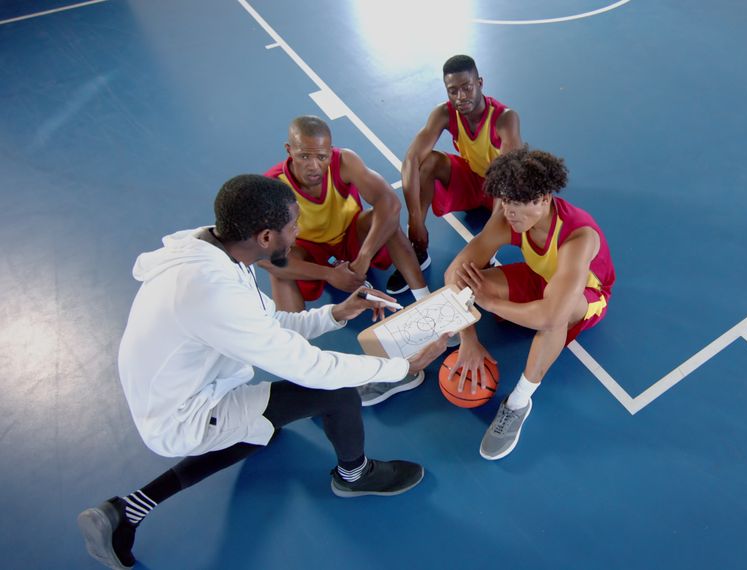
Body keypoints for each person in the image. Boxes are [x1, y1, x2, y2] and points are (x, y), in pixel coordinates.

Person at [77, 175, 450, 570]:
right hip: (184, 412)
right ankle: (354, 476)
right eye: (293, 225)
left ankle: (126, 512)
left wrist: (336, 313)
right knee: (336, 394)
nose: (299, 231)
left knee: (264, 428)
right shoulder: (211, 292)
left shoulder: (214, 249)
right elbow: (310, 368)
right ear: (267, 237)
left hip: (171, 387)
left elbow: (267, 323)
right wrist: (401, 366)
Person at [444, 148, 615, 460]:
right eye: (506, 201)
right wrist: (468, 339)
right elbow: (453, 273)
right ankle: (455, 332)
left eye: (520, 202)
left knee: (557, 316)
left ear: (545, 199)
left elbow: (551, 317)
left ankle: (519, 403)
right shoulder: (506, 217)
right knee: (468, 279)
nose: (511, 212)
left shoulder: (578, 236)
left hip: (585, 297)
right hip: (541, 279)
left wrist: (490, 303)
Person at [263, 115, 429, 308]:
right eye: (304, 156)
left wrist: (365, 256)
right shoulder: (273, 186)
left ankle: (427, 301)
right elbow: (264, 260)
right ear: (289, 150)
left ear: (330, 152)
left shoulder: (345, 161)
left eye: (322, 157)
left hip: (353, 239)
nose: (313, 166)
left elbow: (390, 203)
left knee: (385, 217)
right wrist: (329, 274)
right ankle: (291, 336)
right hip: (310, 254)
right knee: (278, 266)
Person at [395, 54, 523, 291]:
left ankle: (487, 256)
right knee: (429, 162)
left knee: (510, 197)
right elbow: (411, 159)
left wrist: (486, 242)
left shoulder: (505, 119)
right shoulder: (444, 113)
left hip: (500, 188)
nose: (460, 97)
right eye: (453, 91)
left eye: (467, 88)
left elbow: (507, 178)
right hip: (473, 181)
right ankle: (418, 251)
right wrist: (414, 222)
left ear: (480, 83)